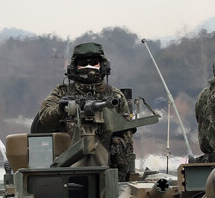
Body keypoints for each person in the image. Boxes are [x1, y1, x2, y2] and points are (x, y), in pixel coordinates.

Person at [31, 41, 136, 180]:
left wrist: (120, 176)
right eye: (83, 63)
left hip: (107, 170)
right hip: (66, 168)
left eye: (94, 62)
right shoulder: (62, 93)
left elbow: (126, 136)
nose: (89, 66)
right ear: (74, 67)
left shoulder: (115, 96)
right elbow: (44, 118)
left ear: (103, 65)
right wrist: (61, 108)